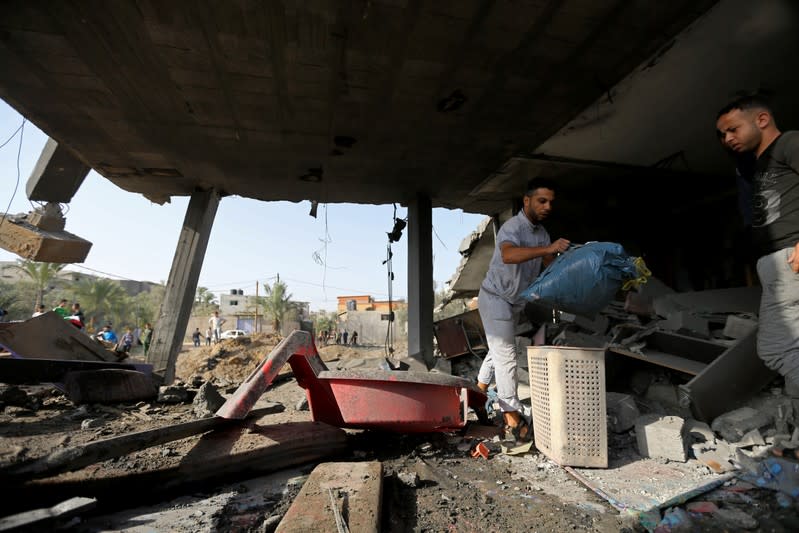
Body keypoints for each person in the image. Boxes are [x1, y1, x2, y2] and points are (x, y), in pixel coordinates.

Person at [716, 92, 799, 396]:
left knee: (774, 349)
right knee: (794, 348)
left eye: (733, 129)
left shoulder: (789, 142)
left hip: (790, 257)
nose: (727, 138)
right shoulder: (759, 165)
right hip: (779, 262)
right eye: (722, 134)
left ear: (762, 119)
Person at [476, 177, 570, 442]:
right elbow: (508, 255)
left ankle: (479, 388)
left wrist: (568, 263)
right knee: (507, 355)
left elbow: (549, 263)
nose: (548, 206)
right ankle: (510, 414)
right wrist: (548, 249)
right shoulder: (513, 227)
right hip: (495, 298)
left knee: (499, 349)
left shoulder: (542, 234)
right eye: (542, 201)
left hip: (515, 301)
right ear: (527, 200)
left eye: (551, 202)